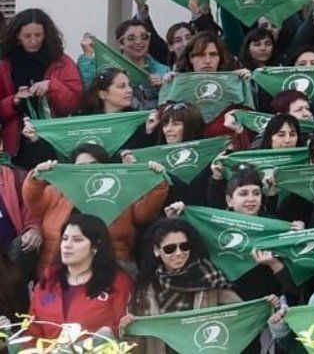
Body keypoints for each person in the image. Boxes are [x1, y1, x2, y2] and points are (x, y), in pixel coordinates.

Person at [23, 146, 168, 270]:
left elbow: (144, 214)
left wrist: (157, 182)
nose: (88, 170)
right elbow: (34, 204)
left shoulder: (119, 190)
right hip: (58, 268)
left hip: (114, 266)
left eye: (94, 164)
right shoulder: (58, 191)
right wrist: (35, 179)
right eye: (81, 167)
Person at [123, 219, 242, 354]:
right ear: (157, 251)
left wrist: (267, 306)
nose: (179, 253)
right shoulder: (144, 286)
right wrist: (127, 327)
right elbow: (135, 337)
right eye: (170, 249)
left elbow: (240, 315)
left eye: (184, 246)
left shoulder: (209, 278)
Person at [25, 214, 132, 342]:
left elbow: (124, 332)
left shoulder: (118, 282)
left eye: (77, 240)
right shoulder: (48, 280)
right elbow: (31, 331)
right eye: (64, 239)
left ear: (95, 246)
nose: (67, 245)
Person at [0, 9, 83, 157]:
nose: (33, 40)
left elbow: (75, 103)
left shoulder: (62, 62)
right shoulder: (4, 65)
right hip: (17, 145)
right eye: (27, 36)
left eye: (38, 35)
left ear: (46, 35)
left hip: (55, 141)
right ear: (17, 36)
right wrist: (13, 101)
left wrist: (52, 86)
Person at [78, 21, 170, 111]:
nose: (138, 42)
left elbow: (171, 104)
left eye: (144, 37)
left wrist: (163, 88)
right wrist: (87, 56)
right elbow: (88, 90)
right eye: (131, 38)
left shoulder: (163, 71)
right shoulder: (110, 67)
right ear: (121, 44)